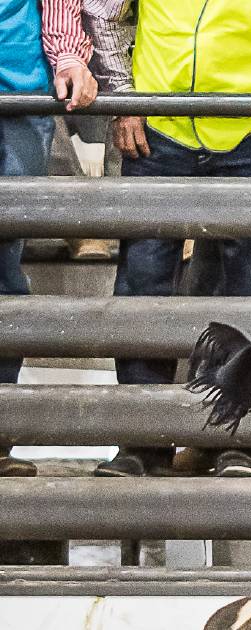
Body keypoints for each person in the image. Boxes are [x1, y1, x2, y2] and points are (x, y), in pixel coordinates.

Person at [82, 0, 251, 477]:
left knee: (250, 289)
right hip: (159, 129)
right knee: (142, 286)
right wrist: (125, 98)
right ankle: (141, 442)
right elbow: (100, 10)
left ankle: (239, 441)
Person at [0, 0, 97, 478]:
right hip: (21, 99)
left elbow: (58, 7)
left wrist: (70, 58)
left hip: (19, 96)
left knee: (3, 268)